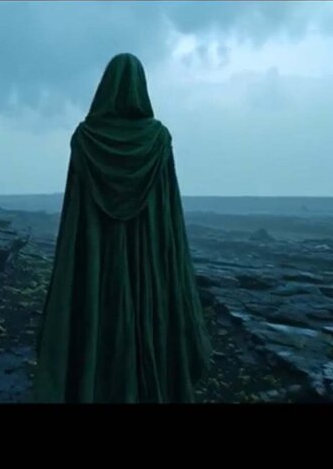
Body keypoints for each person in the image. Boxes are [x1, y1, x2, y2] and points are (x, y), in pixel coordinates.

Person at [33, 53, 212, 403]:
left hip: (97, 252)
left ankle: (89, 382)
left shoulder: (85, 138)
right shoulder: (158, 139)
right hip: (147, 254)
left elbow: (76, 212)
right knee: (145, 311)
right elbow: (167, 211)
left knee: (95, 307)